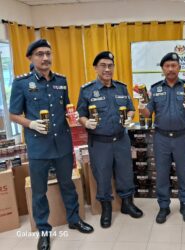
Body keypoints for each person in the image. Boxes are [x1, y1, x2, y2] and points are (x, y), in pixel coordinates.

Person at [9, 39, 94, 250]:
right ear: (30, 58)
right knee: (39, 191)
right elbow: (12, 114)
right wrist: (31, 123)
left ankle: (74, 219)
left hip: (63, 143)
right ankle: (44, 231)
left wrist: (72, 114)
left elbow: (66, 106)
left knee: (68, 185)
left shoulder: (61, 81)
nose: (45, 58)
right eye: (40, 54)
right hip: (38, 146)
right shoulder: (22, 83)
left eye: (48, 53)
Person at [77, 51, 143, 229]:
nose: (107, 69)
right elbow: (80, 114)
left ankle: (127, 204)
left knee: (125, 172)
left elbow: (130, 108)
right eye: (103, 65)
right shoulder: (87, 90)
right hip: (99, 142)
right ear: (96, 68)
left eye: (110, 65)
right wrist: (86, 122)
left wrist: (129, 117)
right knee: (103, 175)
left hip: (121, 139)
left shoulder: (121, 88)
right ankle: (106, 208)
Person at [138, 52, 185, 224]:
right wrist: (141, 106)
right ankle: (163, 206)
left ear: (179, 67)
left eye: (174, 65)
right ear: (162, 69)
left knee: (184, 174)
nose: (171, 69)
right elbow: (147, 112)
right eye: (167, 66)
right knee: (163, 174)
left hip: (182, 137)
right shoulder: (155, 88)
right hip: (161, 138)